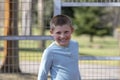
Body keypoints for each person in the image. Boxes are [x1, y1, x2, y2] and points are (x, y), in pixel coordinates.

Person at [38, 14, 81, 80]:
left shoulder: (75, 45)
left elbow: (75, 69)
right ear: (52, 32)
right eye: (58, 33)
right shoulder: (49, 52)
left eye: (66, 32)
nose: (62, 36)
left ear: (72, 30)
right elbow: (42, 75)